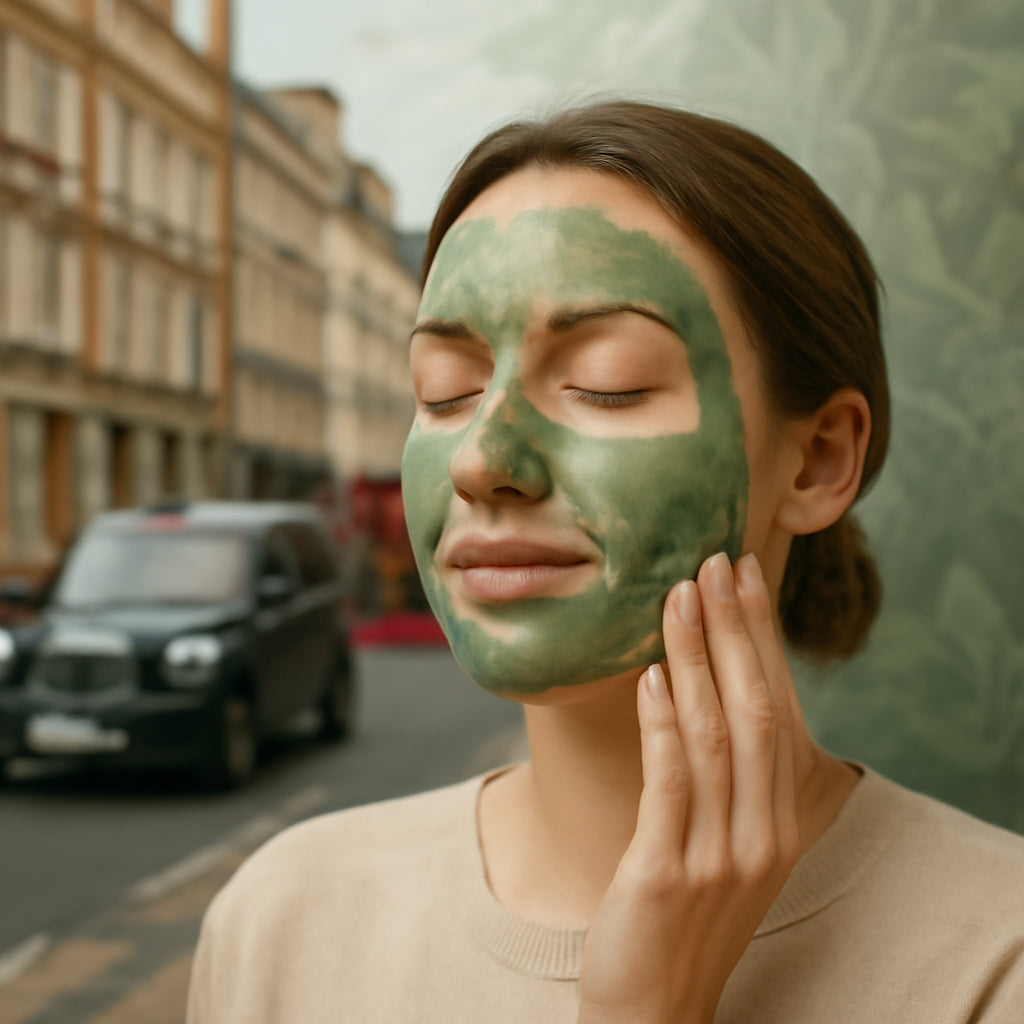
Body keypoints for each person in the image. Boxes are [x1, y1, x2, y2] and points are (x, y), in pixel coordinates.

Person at [186, 101, 1024, 1023]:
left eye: (607, 382)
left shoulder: (993, 956)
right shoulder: (283, 924)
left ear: (820, 458)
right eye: (446, 391)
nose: (481, 459)